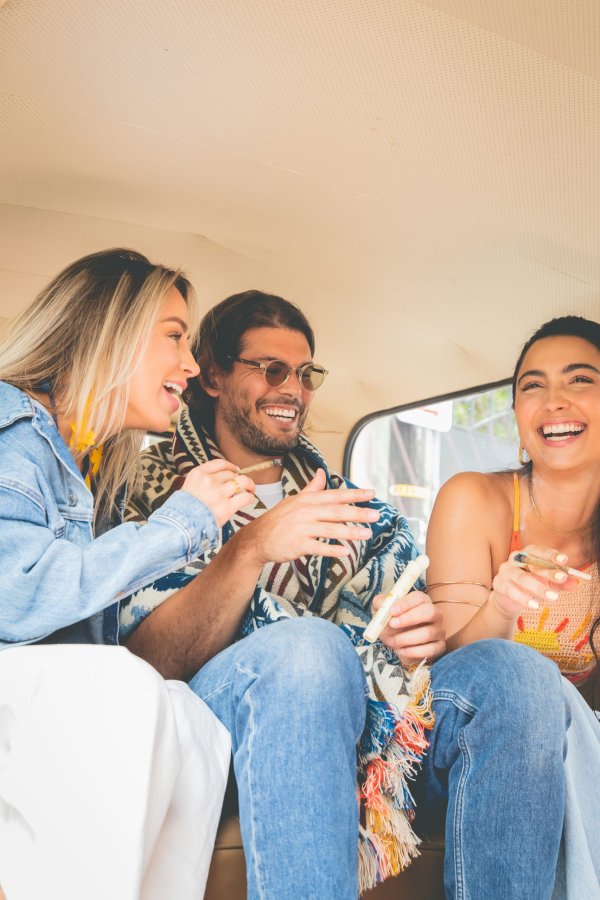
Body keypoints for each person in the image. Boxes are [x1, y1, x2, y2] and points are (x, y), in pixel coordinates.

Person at [124, 290, 572, 899]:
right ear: (213, 376)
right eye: (271, 369)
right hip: (227, 718)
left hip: (375, 721)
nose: (293, 389)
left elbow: (410, 658)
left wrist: (418, 638)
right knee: (308, 651)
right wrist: (251, 546)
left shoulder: (362, 510)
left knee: (515, 673)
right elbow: (151, 660)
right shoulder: (152, 493)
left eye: (306, 374)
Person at [0, 248, 259, 900]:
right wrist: (181, 524)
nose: (193, 365)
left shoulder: (89, 471)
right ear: (107, 333)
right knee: (122, 686)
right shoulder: (11, 424)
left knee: (190, 720)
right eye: (174, 335)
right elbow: (14, 595)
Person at [426, 315, 600, 897]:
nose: (554, 401)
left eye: (580, 380)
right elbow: (452, 667)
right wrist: (502, 605)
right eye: (533, 385)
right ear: (518, 417)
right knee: (521, 675)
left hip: (578, 740)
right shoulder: (474, 498)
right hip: (453, 726)